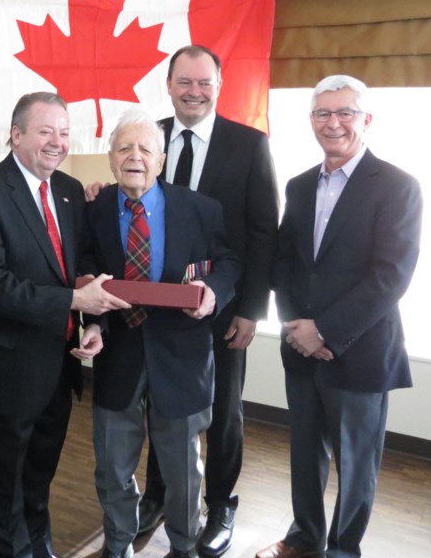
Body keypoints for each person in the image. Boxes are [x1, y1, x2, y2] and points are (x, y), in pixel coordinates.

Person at [85, 44, 279, 557]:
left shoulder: (248, 146)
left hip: (208, 320)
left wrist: (242, 306)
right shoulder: (124, 174)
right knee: (130, 449)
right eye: (183, 82)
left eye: (204, 83)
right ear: (168, 85)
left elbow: (259, 237)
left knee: (216, 421)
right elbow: (89, 260)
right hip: (129, 341)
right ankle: (142, 515)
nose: (194, 91)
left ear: (218, 86)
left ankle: (214, 510)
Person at [0, 92, 129, 558]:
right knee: (3, 480)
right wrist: (74, 300)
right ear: (16, 134)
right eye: (46, 131)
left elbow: (82, 266)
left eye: (65, 132)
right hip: (6, 370)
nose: (58, 142)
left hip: (59, 365)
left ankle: (38, 547)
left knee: (39, 476)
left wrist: (93, 323)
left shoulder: (70, 192)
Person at [255, 75, 422, 558]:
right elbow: (284, 262)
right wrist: (297, 328)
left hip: (361, 350)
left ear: (366, 120)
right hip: (301, 349)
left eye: (345, 112)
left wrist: (325, 331)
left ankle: (343, 550)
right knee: (305, 456)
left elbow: (390, 276)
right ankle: (305, 537)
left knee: (356, 464)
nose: (334, 123)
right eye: (323, 114)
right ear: (311, 121)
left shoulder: (397, 186)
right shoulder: (300, 184)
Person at [84, 109, 240, 558]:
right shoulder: (93, 209)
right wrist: (93, 320)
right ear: (111, 160)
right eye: (124, 148)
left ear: (161, 158)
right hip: (117, 355)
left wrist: (212, 292)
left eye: (145, 149)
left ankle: (184, 547)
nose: (135, 157)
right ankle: (117, 547)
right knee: (112, 470)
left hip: (183, 357)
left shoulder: (201, 210)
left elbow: (229, 264)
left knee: (183, 473)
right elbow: (85, 267)